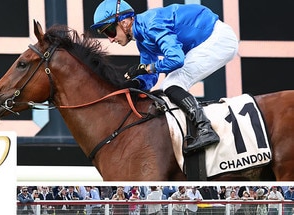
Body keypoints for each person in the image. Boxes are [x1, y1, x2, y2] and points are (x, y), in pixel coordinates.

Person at [90, 0, 238, 154]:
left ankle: (205, 129)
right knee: (165, 90)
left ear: (125, 22)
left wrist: (147, 68)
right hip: (208, 40)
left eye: (110, 32)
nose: (111, 39)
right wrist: (134, 83)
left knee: (172, 84)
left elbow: (176, 59)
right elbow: (150, 77)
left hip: (217, 38)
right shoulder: (142, 38)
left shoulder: (151, 23)